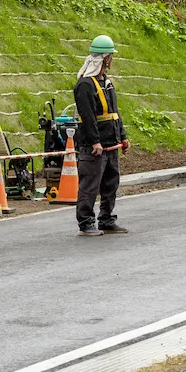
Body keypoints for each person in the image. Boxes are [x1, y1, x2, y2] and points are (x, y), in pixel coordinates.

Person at [71, 35, 127, 236]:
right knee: (90, 186)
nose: (112, 60)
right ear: (105, 58)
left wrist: (122, 136)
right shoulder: (85, 85)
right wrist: (95, 141)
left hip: (111, 143)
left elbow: (114, 112)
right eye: (111, 56)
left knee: (111, 184)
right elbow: (87, 117)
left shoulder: (106, 82)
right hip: (94, 147)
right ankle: (86, 222)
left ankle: (106, 220)